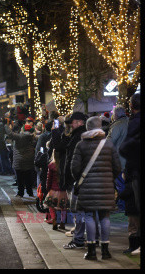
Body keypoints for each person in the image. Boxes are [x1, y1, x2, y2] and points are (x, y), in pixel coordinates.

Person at [71, 116, 121, 260]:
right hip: (106, 186)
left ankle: (92, 251)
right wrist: (109, 178)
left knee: (89, 217)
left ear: (87, 128)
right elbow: (117, 167)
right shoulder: (109, 144)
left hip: (87, 187)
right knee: (105, 217)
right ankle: (105, 251)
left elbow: (74, 168)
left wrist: (80, 179)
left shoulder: (81, 145)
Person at [62, 112, 89, 250]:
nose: (71, 125)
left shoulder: (78, 137)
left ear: (79, 122)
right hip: (83, 179)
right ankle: (87, 238)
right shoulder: (82, 135)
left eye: (72, 122)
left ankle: (78, 238)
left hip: (76, 180)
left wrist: (73, 178)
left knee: (78, 210)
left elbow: (73, 162)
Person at [119, 93, 140, 255]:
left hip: (134, 171)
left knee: (134, 209)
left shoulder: (135, 122)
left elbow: (125, 147)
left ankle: (135, 243)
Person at [106, 105, 129, 212]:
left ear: (115, 115)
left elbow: (109, 143)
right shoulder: (130, 122)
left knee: (120, 183)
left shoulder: (117, 126)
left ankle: (122, 205)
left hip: (119, 160)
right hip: (130, 159)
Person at [4, 122, 37, 197]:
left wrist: (6, 125)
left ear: (23, 129)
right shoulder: (32, 137)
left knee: (20, 178)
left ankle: (20, 192)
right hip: (29, 160)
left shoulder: (19, 137)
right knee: (28, 177)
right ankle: (30, 192)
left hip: (19, 160)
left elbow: (10, 134)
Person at [44, 149, 69, 230]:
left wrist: (47, 188)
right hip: (63, 191)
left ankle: (54, 219)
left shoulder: (51, 165)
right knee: (63, 207)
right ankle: (62, 222)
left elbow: (49, 179)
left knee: (51, 206)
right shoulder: (65, 164)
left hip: (53, 190)